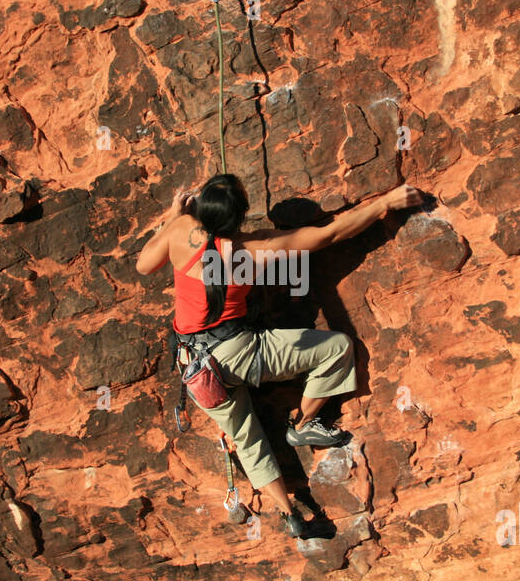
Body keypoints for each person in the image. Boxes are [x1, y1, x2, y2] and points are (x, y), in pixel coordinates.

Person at [135, 173, 424, 538]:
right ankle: (302, 426)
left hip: (194, 366)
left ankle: (292, 516)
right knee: (336, 349)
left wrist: (172, 214)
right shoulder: (252, 250)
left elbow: (144, 265)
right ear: (239, 216)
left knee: (246, 437)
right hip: (238, 354)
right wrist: (385, 203)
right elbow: (329, 235)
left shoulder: (179, 231)